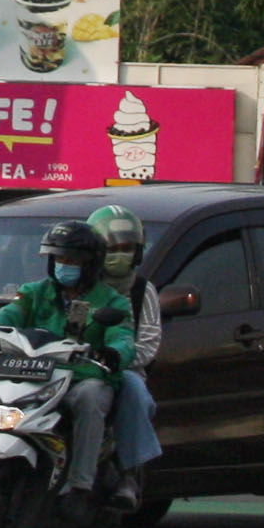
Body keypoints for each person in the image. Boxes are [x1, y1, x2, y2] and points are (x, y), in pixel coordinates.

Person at [0, 220, 133, 514]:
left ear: (91, 264)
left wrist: (115, 353)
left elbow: (124, 337)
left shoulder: (112, 301)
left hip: (82, 378)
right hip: (35, 376)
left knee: (91, 399)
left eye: (73, 260)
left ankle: (79, 486)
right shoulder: (34, 292)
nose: (64, 265)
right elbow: (10, 314)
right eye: (59, 259)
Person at [85, 202, 166, 509]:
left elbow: (147, 344)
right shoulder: (79, 285)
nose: (120, 254)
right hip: (74, 365)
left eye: (128, 248)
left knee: (135, 395)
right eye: (112, 247)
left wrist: (115, 359)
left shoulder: (142, 291)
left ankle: (128, 474)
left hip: (122, 370)